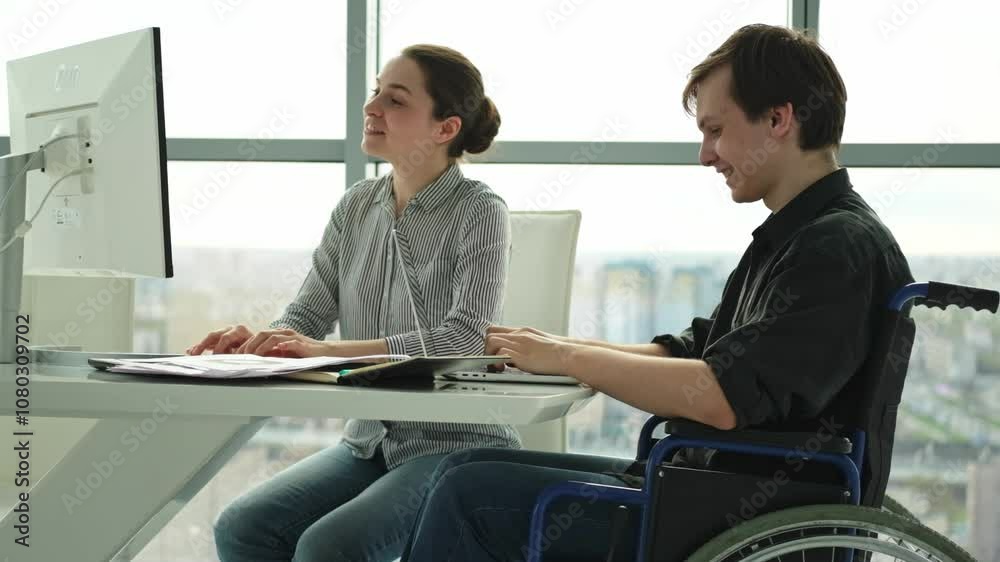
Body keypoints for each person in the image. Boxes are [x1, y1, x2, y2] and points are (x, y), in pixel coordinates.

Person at [400, 24, 915, 561]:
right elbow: (698, 353)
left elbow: (721, 395)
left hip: (734, 517)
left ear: (778, 119)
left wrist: (569, 359)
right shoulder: (804, 235)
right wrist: (554, 349)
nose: (706, 155)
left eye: (715, 130)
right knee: (461, 468)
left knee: (466, 496)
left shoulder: (836, 248)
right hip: (707, 491)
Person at [189, 45, 522, 562]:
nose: (372, 107)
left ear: (445, 128)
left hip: (456, 443)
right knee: (244, 528)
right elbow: (306, 317)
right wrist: (259, 343)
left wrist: (330, 351)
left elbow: (464, 338)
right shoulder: (356, 206)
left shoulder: (480, 210)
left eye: (396, 100)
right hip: (370, 441)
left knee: (330, 547)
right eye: (375, 92)